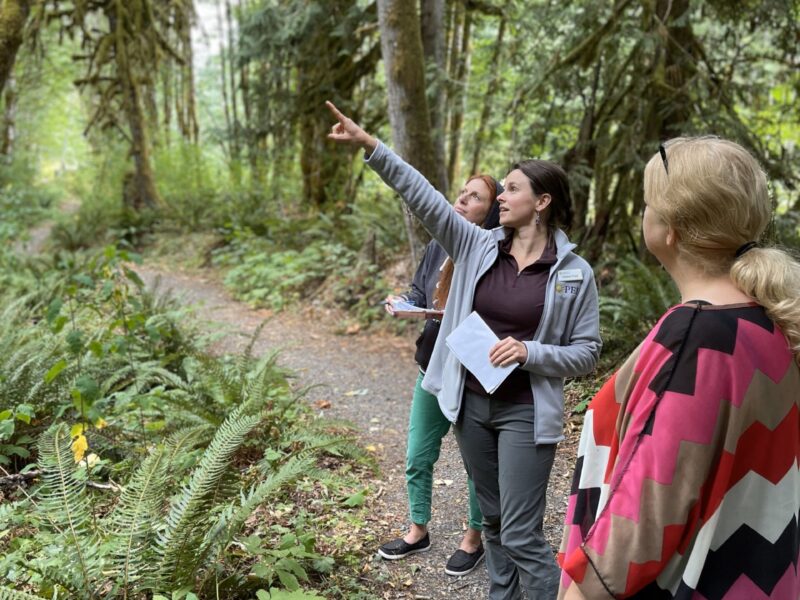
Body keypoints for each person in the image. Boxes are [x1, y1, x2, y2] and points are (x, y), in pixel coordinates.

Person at [326, 100, 602, 599]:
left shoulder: (573, 274)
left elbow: (587, 352)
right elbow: (422, 195)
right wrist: (372, 147)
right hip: (472, 407)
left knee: (520, 532)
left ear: (541, 202)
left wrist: (529, 352)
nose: (501, 196)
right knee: (494, 523)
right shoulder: (478, 245)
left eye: (513, 188)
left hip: (525, 411)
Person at [558, 136, 800, 599]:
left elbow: (638, 527)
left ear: (671, 228)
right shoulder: (773, 321)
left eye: (648, 203)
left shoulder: (698, 339)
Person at [378, 175, 501, 578]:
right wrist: (405, 303)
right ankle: (418, 530)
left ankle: (473, 538)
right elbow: (419, 291)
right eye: (461, 193)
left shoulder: (494, 253)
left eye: (475, 197)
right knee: (417, 453)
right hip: (431, 363)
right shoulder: (436, 246)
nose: (462, 200)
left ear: (492, 210)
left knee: (475, 463)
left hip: (470, 374)